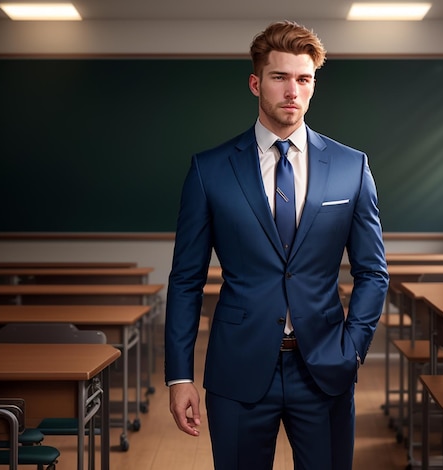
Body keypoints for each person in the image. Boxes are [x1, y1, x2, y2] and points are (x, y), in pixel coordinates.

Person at [165, 20, 389, 470]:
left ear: (313, 85)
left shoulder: (351, 166)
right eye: (279, 77)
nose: (292, 90)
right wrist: (180, 375)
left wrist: (352, 347)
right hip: (238, 369)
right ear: (256, 83)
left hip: (325, 367)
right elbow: (186, 280)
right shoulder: (210, 170)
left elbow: (373, 272)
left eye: (303, 79)